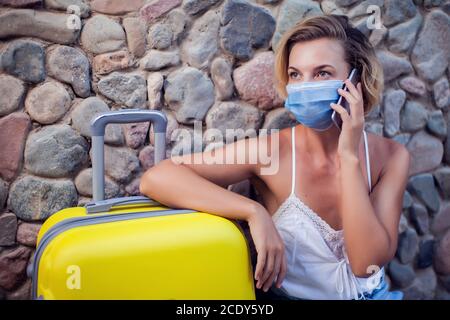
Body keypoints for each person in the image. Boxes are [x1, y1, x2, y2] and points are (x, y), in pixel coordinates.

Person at [139, 14, 410, 300]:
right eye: (296, 74)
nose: (305, 85)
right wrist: (253, 212)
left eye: (322, 73)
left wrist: (349, 158)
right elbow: (158, 178)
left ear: (356, 80)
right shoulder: (271, 152)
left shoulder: (392, 157)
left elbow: (365, 264)